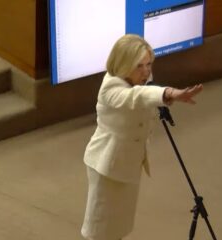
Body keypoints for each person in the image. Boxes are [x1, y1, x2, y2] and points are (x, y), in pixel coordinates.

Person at [81, 34, 203, 240]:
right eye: (140, 66)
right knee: (101, 229)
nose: (146, 71)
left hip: (128, 163)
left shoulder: (141, 79)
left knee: (117, 226)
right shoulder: (110, 87)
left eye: (149, 64)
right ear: (124, 64)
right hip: (108, 166)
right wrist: (169, 93)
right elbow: (136, 97)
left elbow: (144, 92)